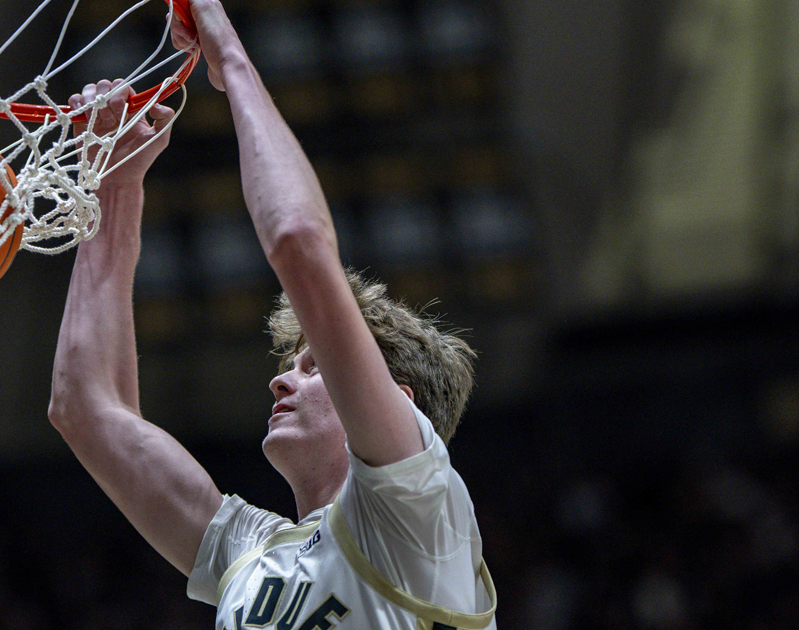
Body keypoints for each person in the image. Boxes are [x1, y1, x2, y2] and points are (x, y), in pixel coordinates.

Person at [48, 1, 497, 628]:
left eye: (313, 368)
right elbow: (84, 407)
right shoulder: (248, 552)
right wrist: (114, 184)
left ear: (399, 401)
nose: (281, 379)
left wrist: (227, 56)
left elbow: (296, 239)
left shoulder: (417, 511)